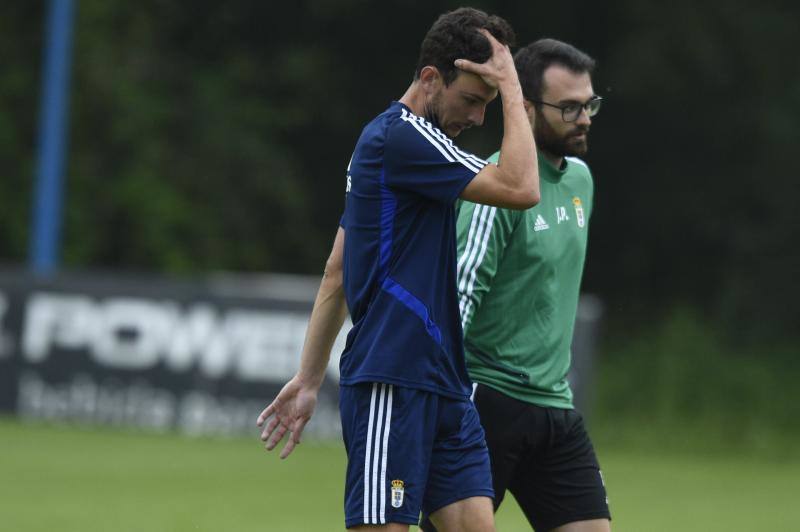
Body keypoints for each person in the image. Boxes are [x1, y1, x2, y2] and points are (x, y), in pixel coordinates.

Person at [257, 8, 541, 532]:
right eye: (472, 101)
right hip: (395, 373)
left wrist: (309, 376)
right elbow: (523, 187)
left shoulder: (412, 147)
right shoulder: (402, 138)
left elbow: (337, 271)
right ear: (431, 78)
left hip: (444, 378)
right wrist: (511, 88)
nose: (479, 119)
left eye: (488, 104)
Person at [420, 38, 611, 532]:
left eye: (589, 104)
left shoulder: (581, 181)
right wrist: (440, 396)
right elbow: (457, 294)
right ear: (523, 106)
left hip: (555, 405)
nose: (584, 118)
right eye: (568, 107)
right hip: (488, 402)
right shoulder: (495, 189)